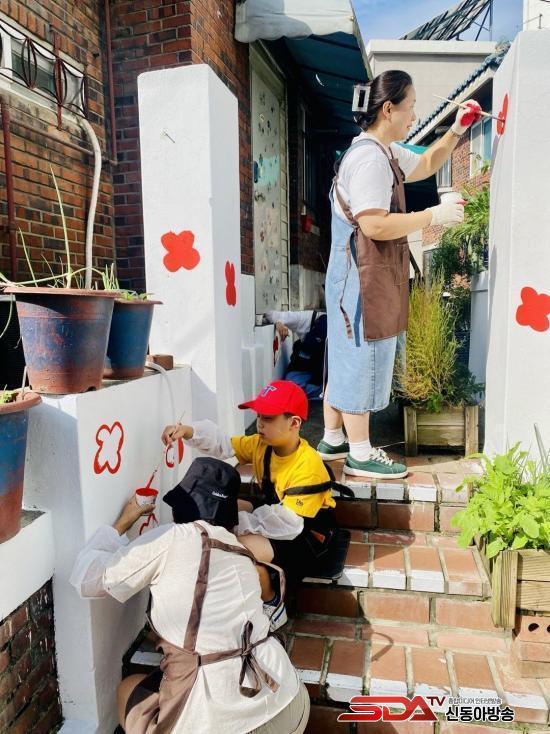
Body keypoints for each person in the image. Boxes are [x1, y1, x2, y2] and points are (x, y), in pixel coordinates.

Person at [318, 69, 482, 479]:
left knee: (343, 356)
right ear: (388, 109)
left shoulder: (382, 151)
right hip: (361, 279)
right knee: (362, 358)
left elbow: (425, 163)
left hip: (350, 275)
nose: (414, 116)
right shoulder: (370, 160)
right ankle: (359, 453)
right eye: (410, 108)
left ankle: (333, 439)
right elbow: (373, 224)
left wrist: (457, 129)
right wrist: (433, 216)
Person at [70, 457, 310, 734]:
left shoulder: (174, 537)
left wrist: (122, 522)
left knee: (128, 691)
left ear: (182, 506)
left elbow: (88, 580)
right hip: (290, 702)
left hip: (229, 723)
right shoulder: (241, 552)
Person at [162, 380, 348, 628]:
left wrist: (231, 526)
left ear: (294, 423)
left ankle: (272, 602)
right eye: (259, 415)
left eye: (268, 418)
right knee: (228, 509)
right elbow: (225, 444)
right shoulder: (263, 445)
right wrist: (188, 431)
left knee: (238, 547)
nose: (260, 423)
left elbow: (289, 523)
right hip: (277, 512)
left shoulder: (308, 466)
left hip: (307, 535)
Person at [263, 309, 327, 399]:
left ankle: (327, 393)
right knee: (290, 387)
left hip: (326, 371)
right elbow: (269, 314)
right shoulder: (306, 318)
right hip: (305, 368)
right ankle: (324, 393)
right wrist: (278, 323)